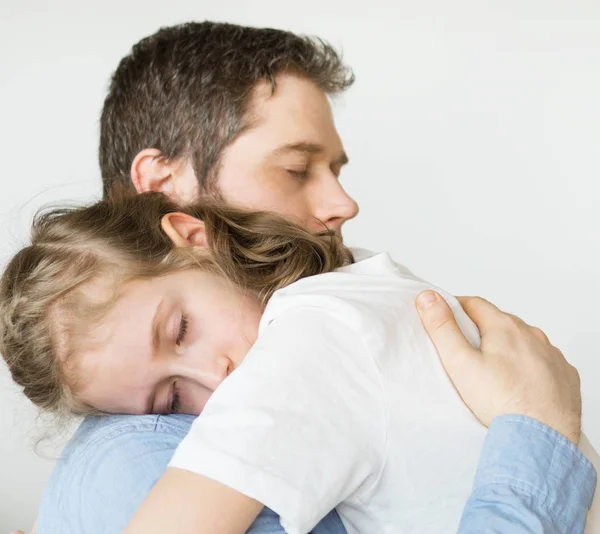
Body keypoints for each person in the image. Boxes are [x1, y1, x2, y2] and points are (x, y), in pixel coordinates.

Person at [6, 21, 596, 533]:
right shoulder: (305, 338)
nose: (344, 205)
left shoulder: (318, 329)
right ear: (168, 197)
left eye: (332, 168)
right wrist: (540, 431)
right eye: (295, 168)